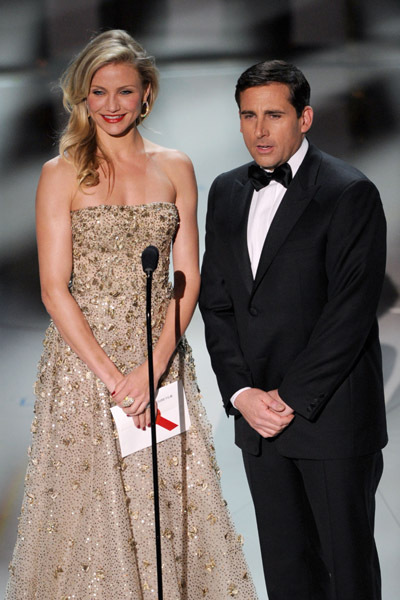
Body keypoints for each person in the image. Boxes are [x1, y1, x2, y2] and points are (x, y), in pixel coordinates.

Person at [6, 30, 258, 599]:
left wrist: (153, 366)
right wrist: (117, 379)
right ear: (82, 97)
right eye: (99, 92)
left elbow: (186, 276)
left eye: (125, 91)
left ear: (146, 94)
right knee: (89, 517)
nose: (112, 105)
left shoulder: (175, 167)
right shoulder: (60, 174)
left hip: (162, 365)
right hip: (84, 370)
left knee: (167, 501)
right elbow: (53, 289)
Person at [199, 59, 387, 600]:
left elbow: (349, 316)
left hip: (330, 420)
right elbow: (219, 305)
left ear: (304, 118)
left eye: (274, 115)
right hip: (258, 424)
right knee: (287, 575)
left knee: (346, 574)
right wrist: (241, 394)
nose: (259, 130)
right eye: (248, 115)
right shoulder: (225, 192)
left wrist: (286, 398)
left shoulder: (350, 193)